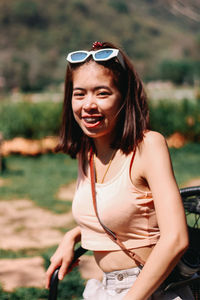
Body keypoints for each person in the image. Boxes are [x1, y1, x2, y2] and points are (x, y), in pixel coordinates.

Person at [46, 41, 193, 300]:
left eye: (102, 93)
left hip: (151, 289)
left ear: (123, 97)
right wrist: (73, 235)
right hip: (108, 288)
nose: (88, 104)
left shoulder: (148, 146)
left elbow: (176, 238)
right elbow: (126, 212)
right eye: (80, 94)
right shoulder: (87, 152)